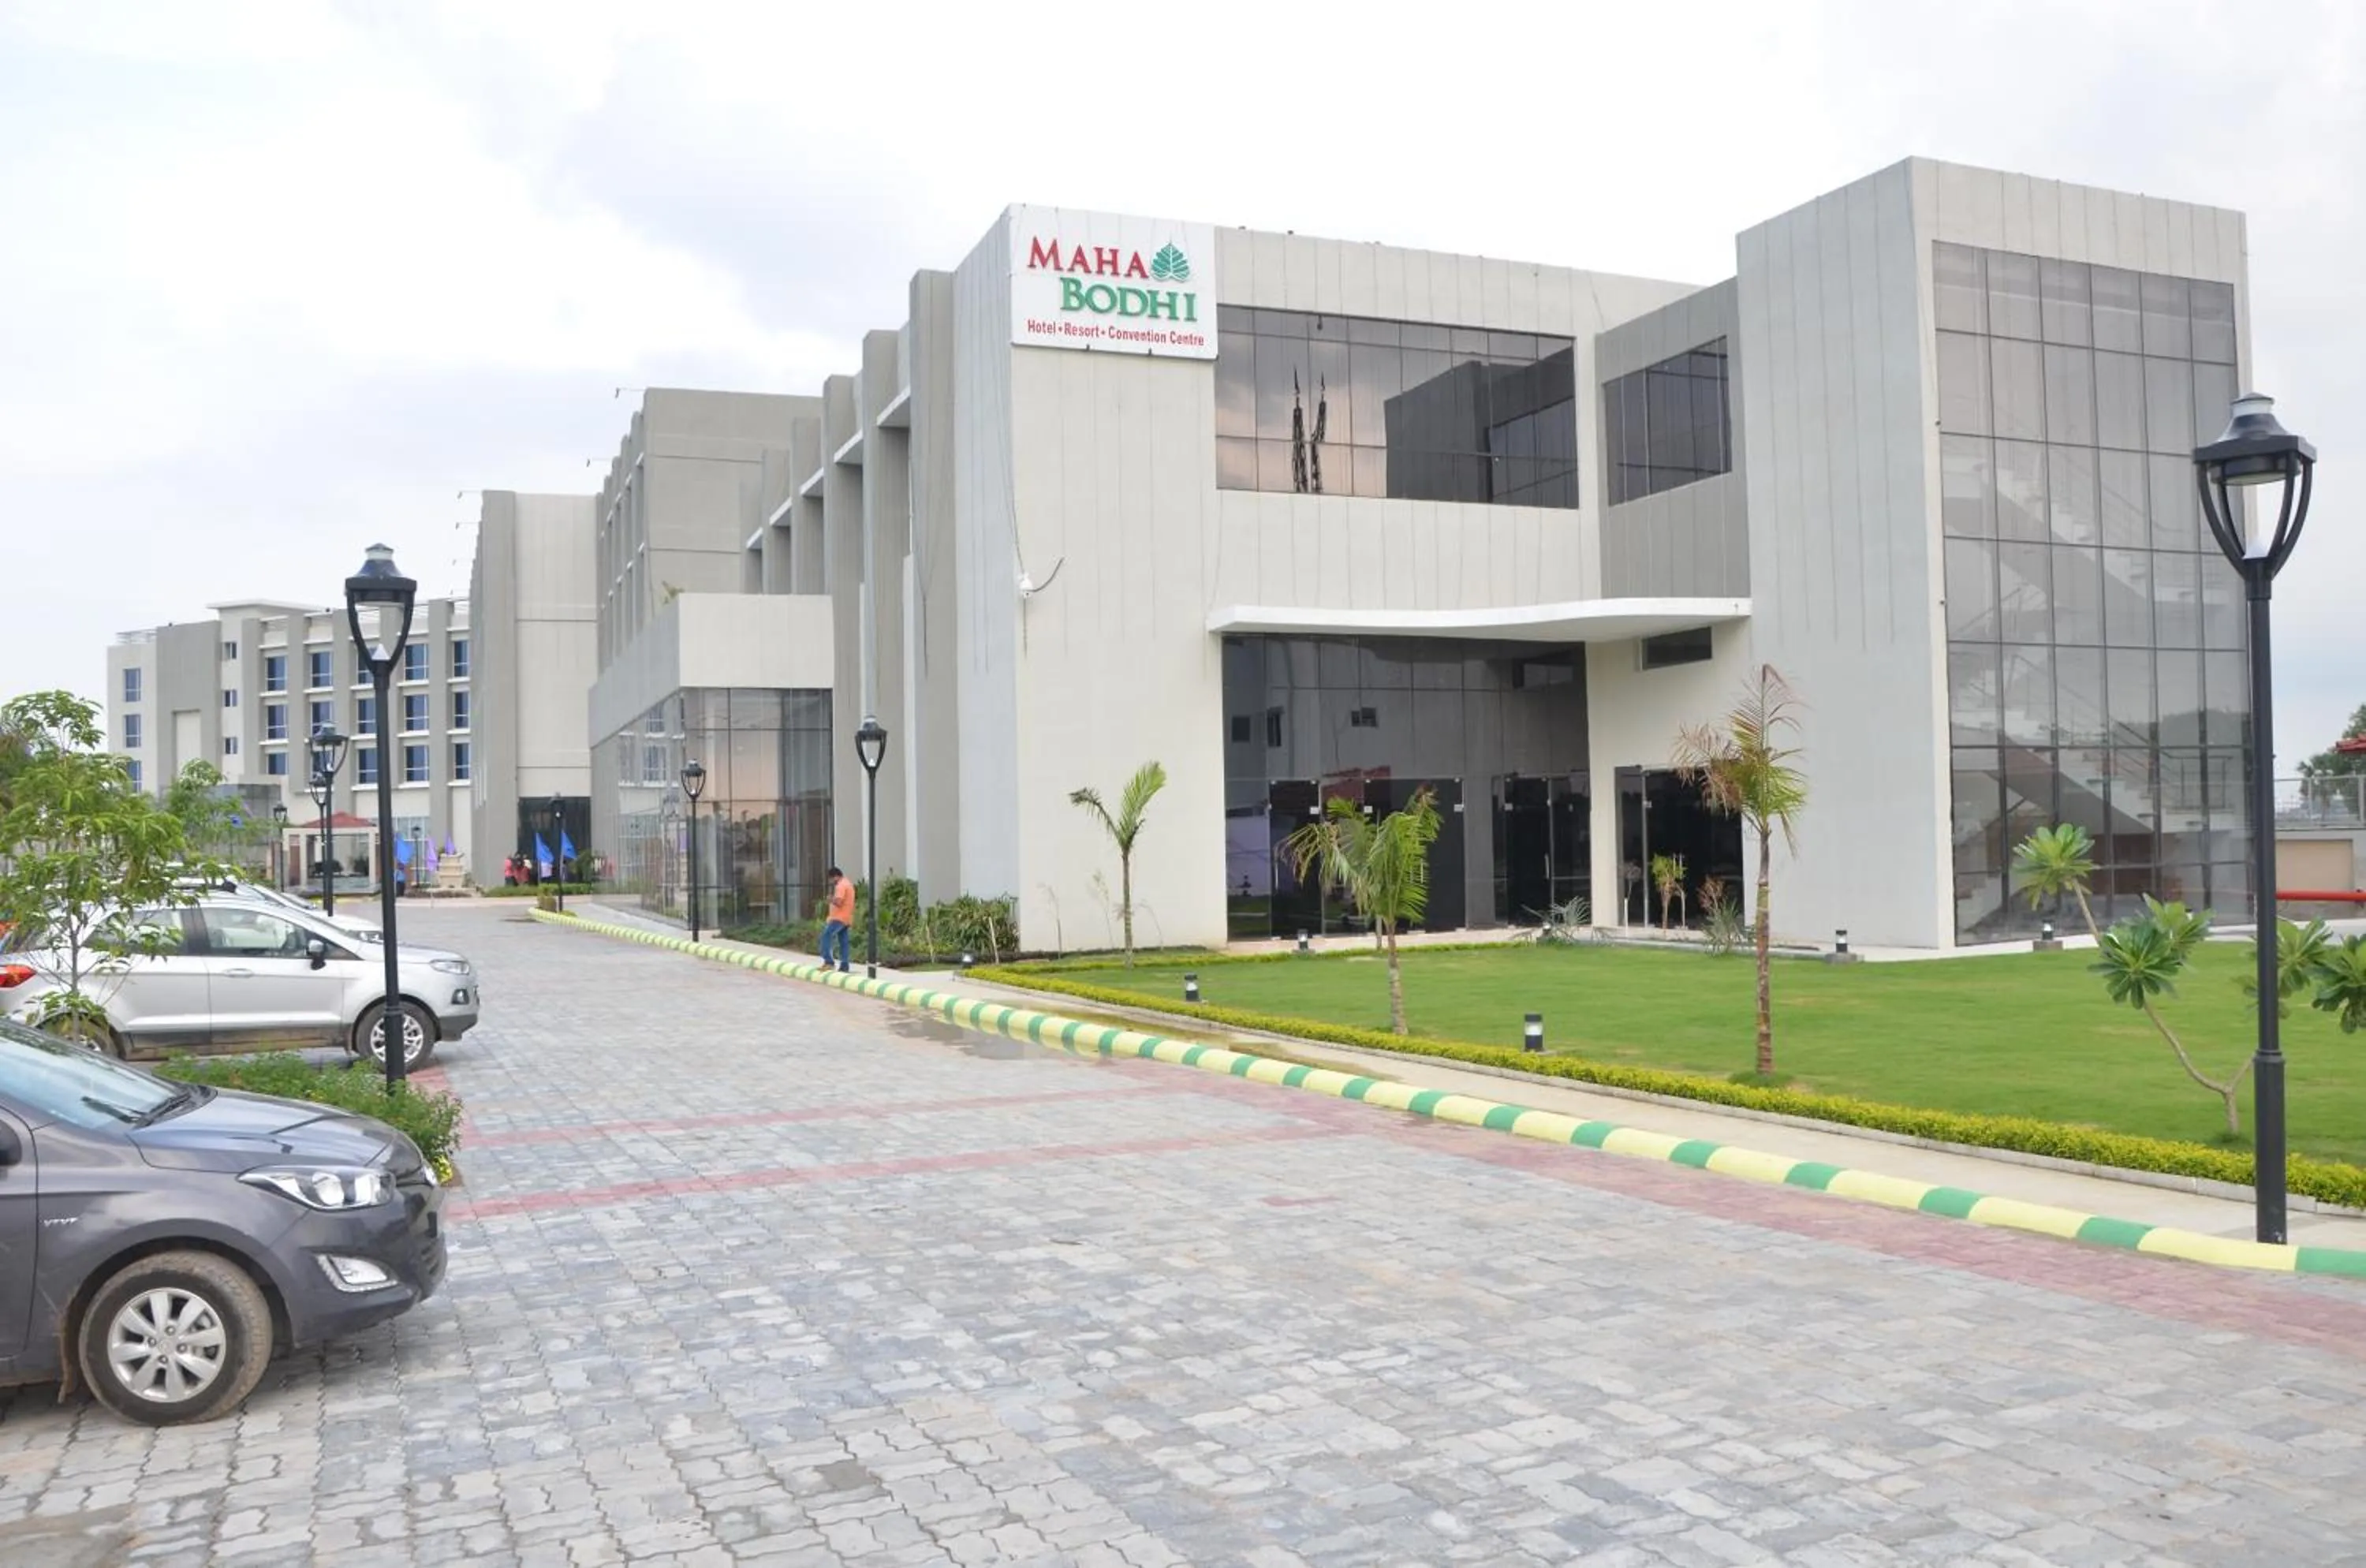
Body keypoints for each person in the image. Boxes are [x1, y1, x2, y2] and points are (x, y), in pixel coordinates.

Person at [821, 867, 854, 973]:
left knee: (826, 936)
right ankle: (844, 966)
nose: (831, 882)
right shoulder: (848, 884)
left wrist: (831, 899)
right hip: (846, 918)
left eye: (831, 879)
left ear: (835, 877)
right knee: (843, 942)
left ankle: (829, 962)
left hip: (838, 918)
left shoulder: (841, 886)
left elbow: (839, 902)